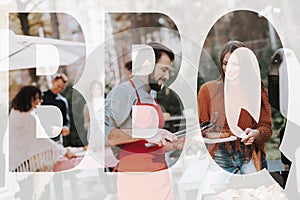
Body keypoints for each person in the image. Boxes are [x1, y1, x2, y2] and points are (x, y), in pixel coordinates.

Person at [105, 42, 184, 199]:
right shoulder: (123, 92)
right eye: (164, 69)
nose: (167, 76)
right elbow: (103, 135)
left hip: (160, 177)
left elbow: (147, 145)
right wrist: (145, 133)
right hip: (137, 181)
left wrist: (175, 145)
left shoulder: (150, 95)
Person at [198, 40, 272, 174]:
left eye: (235, 64)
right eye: (225, 63)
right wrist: (210, 134)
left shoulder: (257, 91)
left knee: (255, 194)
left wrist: (257, 134)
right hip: (220, 156)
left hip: (249, 154)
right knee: (218, 194)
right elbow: (202, 127)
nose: (229, 69)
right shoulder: (207, 91)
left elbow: (266, 128)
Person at [9, 85, 73, 172]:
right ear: (30, 99)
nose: (40, 101)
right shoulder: (28, 117)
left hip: (16, 158)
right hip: (26, 163)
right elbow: (42, 139)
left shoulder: (14, 112)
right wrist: (64, 152)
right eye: (38, 98)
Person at [42, 73, 70, 144]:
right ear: (53, 82)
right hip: (43, 136)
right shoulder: (41, 97)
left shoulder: (63, 101)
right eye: (58, 86)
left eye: (62, 88)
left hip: (57, 138)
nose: (59, 89)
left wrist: (66, 127)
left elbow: (66, 119)